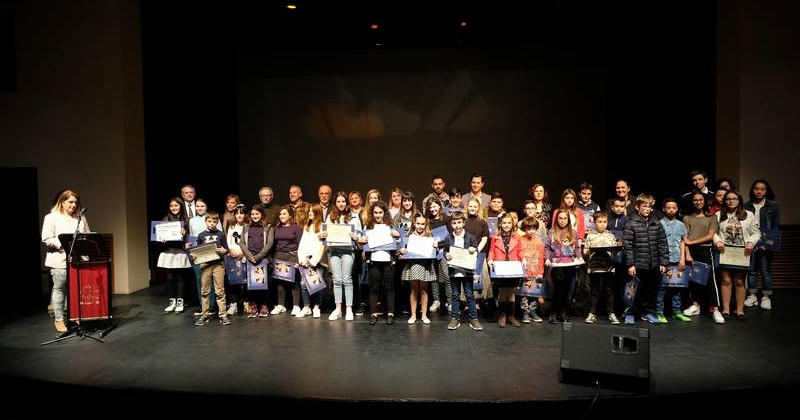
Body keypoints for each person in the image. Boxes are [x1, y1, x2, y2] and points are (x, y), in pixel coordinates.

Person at [41, 190, 91, 332]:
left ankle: (75, 316)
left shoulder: (81, 218)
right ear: (62, 202)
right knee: (60, 289)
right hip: (60, 259)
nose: (74, 205)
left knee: (76, 289)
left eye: (76, 202)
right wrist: (64, 245)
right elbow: (47, 238)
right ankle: (59, 319)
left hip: (78, 259)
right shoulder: (51, 217)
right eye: (70, 202)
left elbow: (87, 235)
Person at [622, 194, 669, 325]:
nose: (647, 209)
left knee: (651, 290)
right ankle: (630, 312)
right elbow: (627, 246)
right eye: (644, 206)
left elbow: (663, 243)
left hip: (653, 264)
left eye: (650, 206)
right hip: (637, 264)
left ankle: (647, 312)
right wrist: (630, 264)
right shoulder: (631, 223)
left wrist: (664, 262)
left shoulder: (656, 223)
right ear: (637, 207)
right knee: (633, 290)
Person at [714, 190, 760, 320]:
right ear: (725, 200)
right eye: (728, 198)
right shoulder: (718, 215)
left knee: (739, 281)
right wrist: (717, 241)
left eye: (734, 198)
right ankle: (726, 310)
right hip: (724, 251)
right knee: (726, 280)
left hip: (743, 251)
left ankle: (740, 310)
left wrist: (751, 242)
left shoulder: (748, 215)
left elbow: (756, 233)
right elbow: (713, 232)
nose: (731, 201)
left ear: (739, 200)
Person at [323, 191, 361, 321]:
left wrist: (355, 237)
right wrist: (322, 236)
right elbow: (325, 233)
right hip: (334, 251)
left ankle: (349, 309)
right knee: (337, 280)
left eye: (343, 201)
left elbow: (359, 235)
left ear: (347, 202)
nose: (341, 204)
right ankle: (338, 309)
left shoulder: (353, 217)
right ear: (335, 203)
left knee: (347, 279)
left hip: (348, 251)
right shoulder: (330, 216)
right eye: (338, 201)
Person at [190, 211, 230, 326]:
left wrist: (224, 251)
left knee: (220, 290)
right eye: (209, 221)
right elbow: (197, 251)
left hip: (218, 265)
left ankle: (223, 314)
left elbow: (226, 249)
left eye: (214, 221)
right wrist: (194, 255)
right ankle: (205, 314)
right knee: (205, 290)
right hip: (205, 265)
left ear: (217, 222)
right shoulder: (201, 235)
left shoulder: (221, 234)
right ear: (206, 221)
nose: (212, 224)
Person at [744, 180, 780, 310]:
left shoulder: (773, 206)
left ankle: (766, 297)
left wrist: (770, 242)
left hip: (766, 241)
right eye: (756, 189)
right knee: (751, 270)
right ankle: (752, 295)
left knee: (765, 270)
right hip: (751, 241)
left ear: (766, 191)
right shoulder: (746, 205)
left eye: (762, 189)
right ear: (752, 190)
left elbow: (775, 225)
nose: (759, 191)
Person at [655, 198, 691, 323]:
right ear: (664, 209)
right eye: (668, 207)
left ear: (677, 209)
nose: (671, 210)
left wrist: (682, 259)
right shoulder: (659, 223)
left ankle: (677, 311)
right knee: (662, 287)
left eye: (673, 207)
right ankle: (659, 312)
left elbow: (682, 242)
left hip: (677, 259)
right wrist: (661, 261)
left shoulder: (681, 225)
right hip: (664, 260)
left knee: (677, 286)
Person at [444, 211, 482, 330]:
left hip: (467, 271)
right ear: (451, 224)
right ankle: (455, 318)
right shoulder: (448, 237)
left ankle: (474, 319)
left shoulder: (470, 237)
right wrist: (447, 255)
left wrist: (473, 249)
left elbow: (476, 250)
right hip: (454, 270)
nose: (457, 225)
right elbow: (445, 251)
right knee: (455, 295)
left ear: (464, 223)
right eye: (454, 223)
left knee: (469, 294)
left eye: (459, 222)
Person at [399, 213, 438, 325]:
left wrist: (435, 246)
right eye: (418, 224)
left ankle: (424, 315)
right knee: (414, 290)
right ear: (414, 223)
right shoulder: (408, 236)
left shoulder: (429, 237)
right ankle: (413, 315)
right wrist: (402, 251)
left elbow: (434, 252)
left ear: (426, 225)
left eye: (422, 224)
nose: (420, 226)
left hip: (425, 265)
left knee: (424, 290)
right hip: (413, 265)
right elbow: (402, 251)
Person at [583, 212, 620, 325]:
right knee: (594, 290)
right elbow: (585, 253)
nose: (602, 224)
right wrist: (588, 251)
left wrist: (617, 249)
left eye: (605, 222)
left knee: (608, 290)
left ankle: (611, 313)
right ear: (594, 223)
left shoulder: (610, 235)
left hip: (608, 267)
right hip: (594, 267)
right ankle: (592, 313)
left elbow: (614, 253)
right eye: (600, 222)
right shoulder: (590, 236)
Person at [488, 212, 524, 328]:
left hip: (513, 267)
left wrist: (523, 259)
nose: (507, 225)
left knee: (511, 292)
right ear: (500, 224)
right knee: (503, 292)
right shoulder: (495, 237)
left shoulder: (516, 237)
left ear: (512, 224)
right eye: (504, 223)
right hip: (501, 267)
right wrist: (490, 259)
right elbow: (492, 251)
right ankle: (502, 315)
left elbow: (520, 251)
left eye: (509, 223)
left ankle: (511, 316)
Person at [157, 197, 192, 314]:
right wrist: (160, 239)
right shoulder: (165, 219)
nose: (174, 208)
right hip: (169, 252)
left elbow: (190, 237)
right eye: (172, 206)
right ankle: (172, 302)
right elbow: (159, 237)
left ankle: (180, 302)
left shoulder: (185, 220)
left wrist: (185, 234)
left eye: (176, 206)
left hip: (180, 252)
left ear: (181, 206)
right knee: (170, 278)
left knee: (180, 277)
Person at [241, 204, 274, 318]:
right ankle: (253, 306)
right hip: (250, 259)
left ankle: (264, 306)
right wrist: (250, 256)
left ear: (262, 214)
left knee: (264, 284)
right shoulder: (246, 227)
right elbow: (242, 243)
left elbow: (269, 243)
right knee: (251, 285)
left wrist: (259, 256)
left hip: (263, 259)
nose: (255, 216)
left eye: (257, 214)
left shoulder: (268, 227)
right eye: (253, 214)